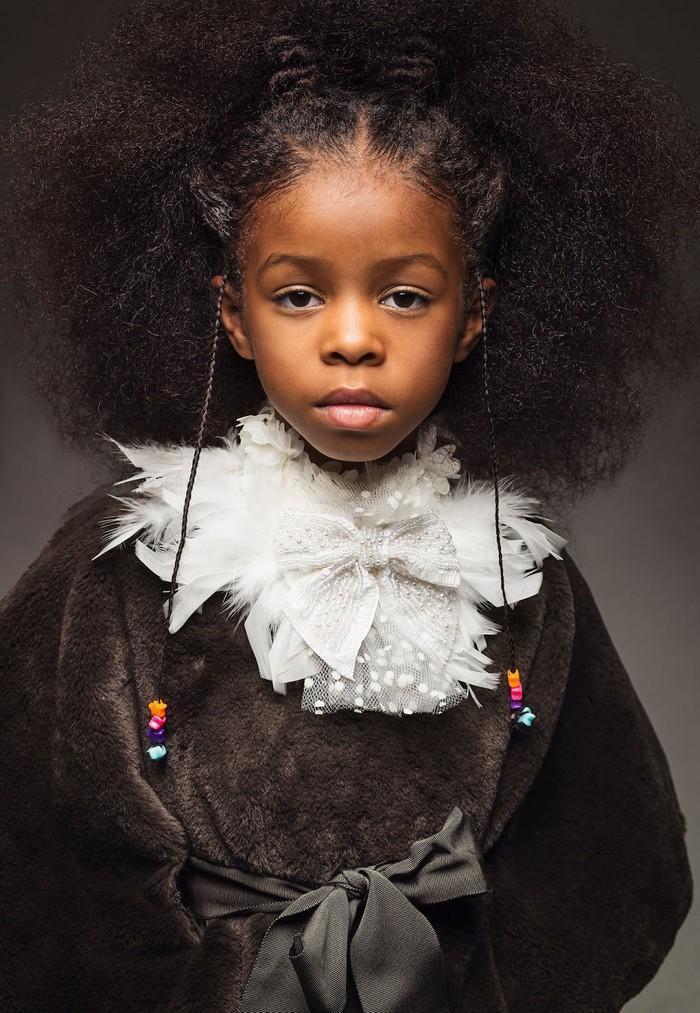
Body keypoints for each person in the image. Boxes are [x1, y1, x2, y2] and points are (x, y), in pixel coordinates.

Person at [0, 0, 696, 1009]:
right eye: (298, 294)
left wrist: (443, 976)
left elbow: (612, 858)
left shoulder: (521, 577)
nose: (353, 337)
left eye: (405, 294)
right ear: (233, 310)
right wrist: (245, 979)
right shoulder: (124, 562)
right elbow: (34, 843)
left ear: (475, 314)